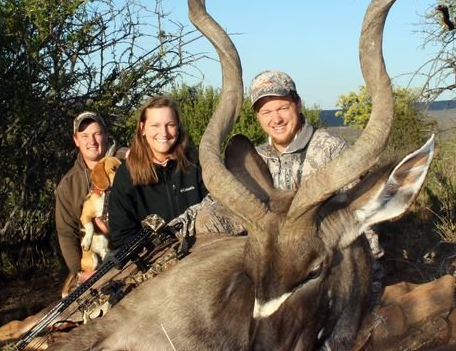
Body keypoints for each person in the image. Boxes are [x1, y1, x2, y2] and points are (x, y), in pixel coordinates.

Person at [195, 70, 352, 237]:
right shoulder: (256, 159)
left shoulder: (332, 149)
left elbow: (358, 207)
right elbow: (215, 200)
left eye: (283, 108)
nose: (276, 119)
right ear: (257, 116)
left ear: (298, 105)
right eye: (266, 112)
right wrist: (177, 225)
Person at [108, 96, 207, 251]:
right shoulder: (126, 174)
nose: (164, 132)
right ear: (142, 129)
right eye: (155, 125)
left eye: (170, 125)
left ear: (178, 127)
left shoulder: (196, 162)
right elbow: (122, 235)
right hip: (157, 260)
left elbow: (214, 208)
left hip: (201, 250)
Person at [54, 111, 123, 278]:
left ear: (106, 135)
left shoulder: (124, 164)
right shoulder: (68, 185)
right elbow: (66, 233)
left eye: (97, 134)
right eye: (84, 136)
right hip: (97, 264)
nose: (91, 141)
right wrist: (80, 272)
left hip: (129, 249)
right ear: (76, 140)